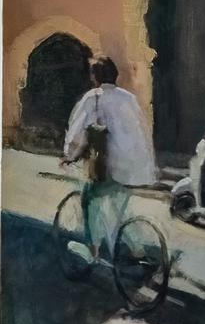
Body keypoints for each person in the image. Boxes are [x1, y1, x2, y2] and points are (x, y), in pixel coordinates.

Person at [61, 57, 156, 261]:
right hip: (134, 166)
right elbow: (141, 131)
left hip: (108, 165)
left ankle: (93, 251)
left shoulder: (93, 98)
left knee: (89, 200)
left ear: (95, 76)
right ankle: (138, 251)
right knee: (117, 210)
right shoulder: (129, 98)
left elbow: (77, 132)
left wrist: (69, 155)